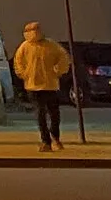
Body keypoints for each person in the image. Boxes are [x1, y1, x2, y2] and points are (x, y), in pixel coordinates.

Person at [13, 20, 71, 151]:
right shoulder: (24, 47)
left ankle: (55, 136)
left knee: (54, 114)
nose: (34, 33)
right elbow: (18, 63)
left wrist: (58, 70)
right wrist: (25, 74)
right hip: (33, 86)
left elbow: (64, 58)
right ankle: (46, 141)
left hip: (50, 85)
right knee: (40, 114)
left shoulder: (51, 45)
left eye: (36, 30)